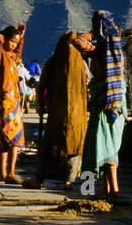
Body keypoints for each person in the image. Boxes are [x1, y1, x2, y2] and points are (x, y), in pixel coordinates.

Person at [27, 31, 91, 189]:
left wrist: (40, 106)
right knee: (73, 147)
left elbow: (42, 86)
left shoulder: (53, 61)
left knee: (50, 146)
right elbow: (89, 82)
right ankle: (68, 181)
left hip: (57, 114)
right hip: (76, 115)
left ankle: (39, 179)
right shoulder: (81, 64)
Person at [82, 9, 127, 201]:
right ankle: (107, 189)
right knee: (111, 146)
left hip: (104, 102)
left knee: (100, 145)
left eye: (94, 23)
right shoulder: (116, 49)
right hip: (118, 102)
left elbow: (77, 41)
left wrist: (93, 32)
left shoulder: (101, 48)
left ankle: (95, 189)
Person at [0, 22, 27, 184]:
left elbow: (18, 51)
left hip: (14, 101)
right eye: (11, 41)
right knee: (8, 135)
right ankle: (8, 172)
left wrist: (21, 37)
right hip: (4, 100)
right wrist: (4, 36)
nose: (13, 45)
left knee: (13, 137)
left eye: (15, 43)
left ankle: (4, 172)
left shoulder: (12, 56)